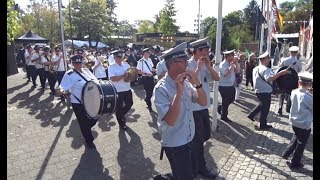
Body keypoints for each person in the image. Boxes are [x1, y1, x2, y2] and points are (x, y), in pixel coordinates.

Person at [154, 42, 207, 180]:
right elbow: (171, 120)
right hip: (176, 143)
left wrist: (198, 83)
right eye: (184, 61)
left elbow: (203, 102)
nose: (187, 64)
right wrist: (178, 92)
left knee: (188, 173)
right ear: (173, 64)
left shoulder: (186, 82)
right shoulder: (161, 88)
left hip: (190, 137)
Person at [188, 37, 220, 179]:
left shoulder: (207, 63)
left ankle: (195, 165)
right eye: (205, 50)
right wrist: (198, 68)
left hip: (204, 107)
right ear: (197, 51)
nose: (208, 52)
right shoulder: (188, 64)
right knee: (197, 141)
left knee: (204, 137)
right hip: (193, 109)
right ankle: (199, 168)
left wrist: (209, 67)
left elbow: (217, 78)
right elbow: (189, 82)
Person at [56, 54, 99, 148]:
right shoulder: (69, 74)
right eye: (76, 63)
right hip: (78, 102)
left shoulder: (87, 71)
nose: (78, 65)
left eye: (79, 63)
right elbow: (62, 86)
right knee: (83, 122)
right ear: (72, 63)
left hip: (91, 100)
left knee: (95, 118)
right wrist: (61, 91)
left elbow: (96, 81)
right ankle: (89, 140)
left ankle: (87, 129)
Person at [247, 51, 288, 129]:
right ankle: (263, 124)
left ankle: (251, 115)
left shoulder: (256, 68)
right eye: (268, 58)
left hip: (259, 90)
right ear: (265, 59)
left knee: (262, 104)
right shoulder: (265, 69)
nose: (269, 59)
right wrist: (281, 73)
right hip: (264, 91)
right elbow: (269, 79)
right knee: (265, 108)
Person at [281, 71, 313, 169]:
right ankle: (295, 163)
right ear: (310, 84)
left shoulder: (294, 91)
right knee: (301, 144)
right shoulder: (309, 97)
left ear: (299, 82)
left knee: (296, 137)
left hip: (294, 122)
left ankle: (286, 153)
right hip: (304, 124)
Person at [108, 50, 133, 130]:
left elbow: (130, 74)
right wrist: (123, 76)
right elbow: (113, 79)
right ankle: (121, 124)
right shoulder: (111, 67)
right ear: (114, 57)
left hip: (127, 88)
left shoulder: (126, 64)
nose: (119, 59)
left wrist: (131, 75)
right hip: (118, 90)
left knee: (129, 104)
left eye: (120, 57)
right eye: (117, 57)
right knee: (118, 107)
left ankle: (120, 114)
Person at [277, 46, 303, 115]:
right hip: (293, 81)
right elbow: (299, 70)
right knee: (291, 94)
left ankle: (280, 106)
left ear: (290, 52)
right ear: (296, 53)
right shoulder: (298, 62)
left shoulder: (284, 60)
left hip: (283, 79)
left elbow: (279, 68)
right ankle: (288, 108)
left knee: (282, 93)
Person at [218, 49, 240, 122]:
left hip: (230, 85)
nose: (233, 57)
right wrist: (231, 66)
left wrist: (236, 64)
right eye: (232, 55)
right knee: (226, 101)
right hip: (223, 86)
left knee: (231, 99)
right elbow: (227, 74)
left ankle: (221, 107)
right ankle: (224, 116)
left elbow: (237, 72)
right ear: (227, 56)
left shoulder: (232, 63)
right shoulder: (222, 64)